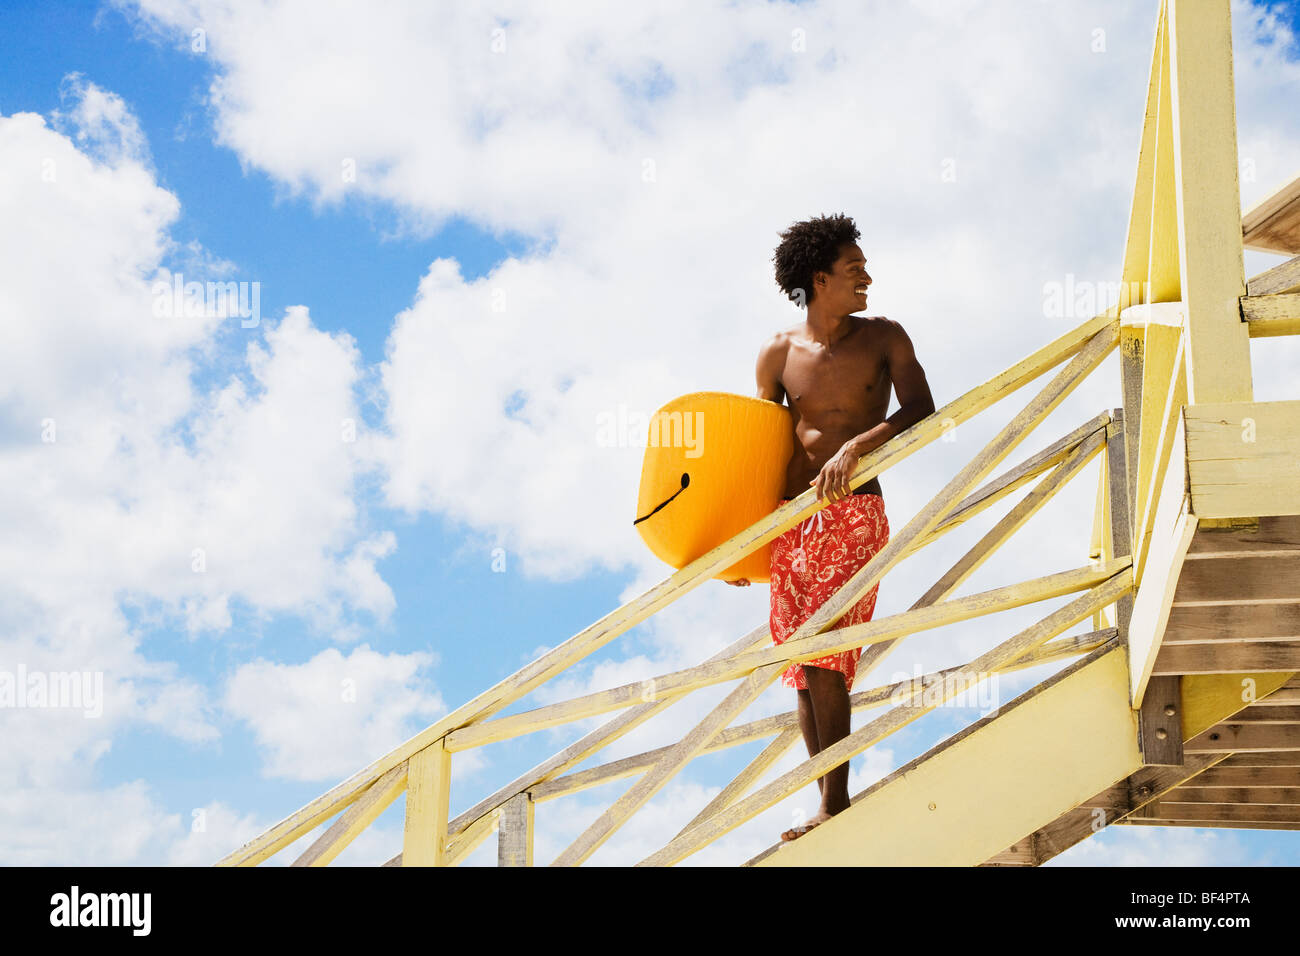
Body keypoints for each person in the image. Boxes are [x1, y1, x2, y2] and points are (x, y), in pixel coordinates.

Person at [727, 213, 935, 841]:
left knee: (828, 655)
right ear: (820, 280)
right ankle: (825, 799)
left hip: (856, 512)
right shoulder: (777, 353)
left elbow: (922, 409)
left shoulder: (884, 337)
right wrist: (745, 544)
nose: (867, 277)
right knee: (803, 664)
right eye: (854, 270)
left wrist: (858, 448)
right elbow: (762, 450)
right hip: (793, 521)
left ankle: (834, 804)